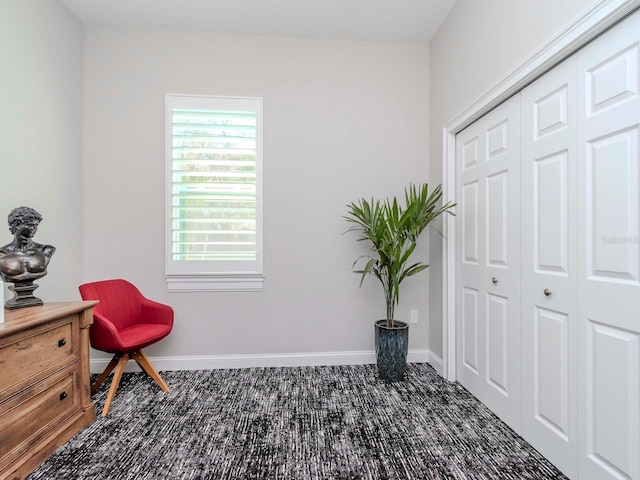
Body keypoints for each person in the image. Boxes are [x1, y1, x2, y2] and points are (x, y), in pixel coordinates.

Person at [0, 206, 56, 284]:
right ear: (17, 225)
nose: (34, 228)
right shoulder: (2, 254)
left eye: (36, 225)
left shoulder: (46, 250)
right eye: (29, 225)